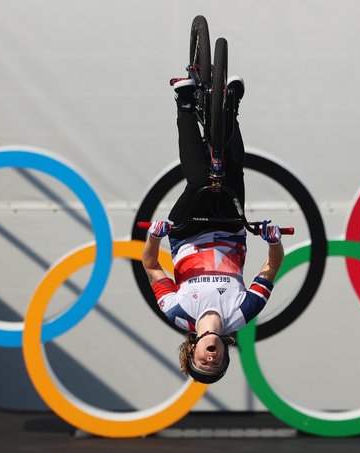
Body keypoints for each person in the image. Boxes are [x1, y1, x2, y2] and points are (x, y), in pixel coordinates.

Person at [141, 75, 285, 384]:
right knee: (232, 171)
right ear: (224, 355)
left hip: (187, 231)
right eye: (216, 364)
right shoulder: (242, 314)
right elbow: (272, 268)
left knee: (198, 182)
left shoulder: (178, 312)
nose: (210, 359)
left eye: (202, 362)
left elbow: (151, 266)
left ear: (191, 349)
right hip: (230, 228)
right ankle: (231, 105)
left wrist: (154, 236)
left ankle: (185, 103)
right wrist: (273, 241)